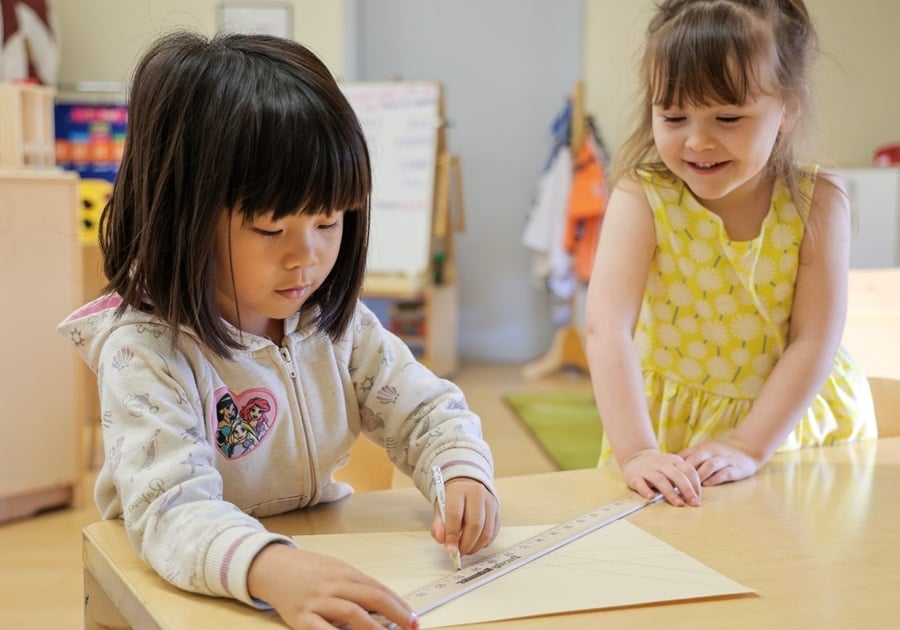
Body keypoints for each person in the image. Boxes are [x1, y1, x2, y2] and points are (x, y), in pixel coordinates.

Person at [59, 30, 501, 630]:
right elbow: (171, 510)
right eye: (271, 229)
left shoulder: (333, 324)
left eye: (328, 221)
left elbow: (425, 412)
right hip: (181, 587)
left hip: (306, 562)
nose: (307, 257)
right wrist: (269, 567)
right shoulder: (146, 352)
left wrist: (460, 469)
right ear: (181, 215)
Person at [584, 0, 877, 509]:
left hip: (786, 425)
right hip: (665, 434)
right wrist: (636, 454)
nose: (698, 141)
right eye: (673, 115)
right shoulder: (643, 197)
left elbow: (813, 340)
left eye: (727, 116)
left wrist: (747, 444)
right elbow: (606, 329)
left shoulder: (819, 201)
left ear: (788, 107)